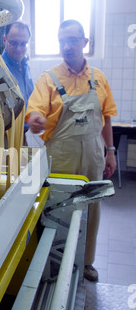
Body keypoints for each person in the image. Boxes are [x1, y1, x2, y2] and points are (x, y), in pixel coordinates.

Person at [25, 19, 118, 282]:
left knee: (91, 207)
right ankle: (57, 263)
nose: (67, 46)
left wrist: (110, 151)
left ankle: (87, 262)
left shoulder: (98, 78)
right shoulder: (49, 79)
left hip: (93, 153)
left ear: (84, 42)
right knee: (59, 207)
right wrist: (34, 120)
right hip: (62, 155)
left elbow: (106, 117)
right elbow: (35, 110)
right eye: (62, 41)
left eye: (72, 40)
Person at [2, 21, 43, 147]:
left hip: (22, 134)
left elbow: (29, 96)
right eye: (13, 43)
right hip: (5, 137)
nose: (19, 49)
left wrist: (36, 115)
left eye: (23, 44)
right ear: (4, 40)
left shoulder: (25, 65)